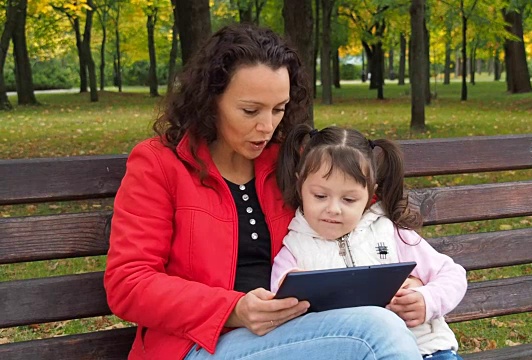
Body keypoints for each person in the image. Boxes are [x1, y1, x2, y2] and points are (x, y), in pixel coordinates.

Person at [104, 24, 424, 360]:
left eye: (278, 109)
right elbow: (129, 283)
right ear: (210, 100)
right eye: (250, 111)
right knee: (376, 333)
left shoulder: (285, 159)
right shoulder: (160, 164)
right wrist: (234, 308)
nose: (267, 126)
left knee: (380, 328)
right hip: (196, 346)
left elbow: (356, 204)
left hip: (293, 335)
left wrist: (410, 279)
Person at [272, 124, 468, 360]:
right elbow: (281, 307)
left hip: (428, 351)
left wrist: (427, 299)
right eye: (320, 196)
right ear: (300, 185)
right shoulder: (294, 249)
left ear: (369, 194)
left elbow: (452, 274)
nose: (333, 209)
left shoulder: (389, 232)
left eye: (349, 199)